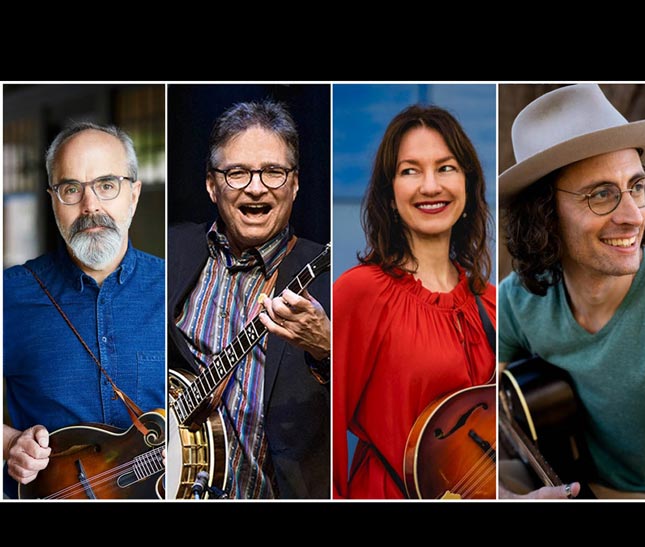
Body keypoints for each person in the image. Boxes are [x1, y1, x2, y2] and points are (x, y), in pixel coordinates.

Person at [498, 83, 645, 499]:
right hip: (566, 481)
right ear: (544, 214)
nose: (633, 216)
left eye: (636, 187)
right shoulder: (515, 301)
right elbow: (470, 411)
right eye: (602, 194)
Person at [168, 99, 330, 499]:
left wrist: (329, 349)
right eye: (237, 173)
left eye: (273, 172)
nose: (256, 188)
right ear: (212, 185)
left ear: (295, 184)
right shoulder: (172, 250)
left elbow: (373, 405)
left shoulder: (329, 276)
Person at [333, 105, 496, 499]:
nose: (430, 186)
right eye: (410, 171)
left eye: (446, 168)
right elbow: (328, 431)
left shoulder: (492, 302)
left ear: (468, 183)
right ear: (390, 194)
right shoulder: (360, 294)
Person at [4, 122, 164, 497]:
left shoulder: (178, 288)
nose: (90, 206)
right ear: (53, 200)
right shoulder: (10, 295)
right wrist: (9, 443)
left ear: (134, 194)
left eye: (106, 185)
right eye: (71, 189)